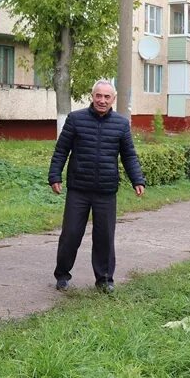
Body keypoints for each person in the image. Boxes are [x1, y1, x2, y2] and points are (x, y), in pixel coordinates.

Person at [49, 80, 145, 293]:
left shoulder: (121, 124)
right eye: (98, 96)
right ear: (92, 96)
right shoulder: (76, 119)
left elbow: (129, 155)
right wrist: (54, 176)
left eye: (107, 97)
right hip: (78, 189)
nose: (102, 100)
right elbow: (61, 150)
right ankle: (62, 274)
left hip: (106, 191)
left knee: (104, 237)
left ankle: (104, 279)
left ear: (113, 99)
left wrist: (137, 179)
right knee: (71, 234)